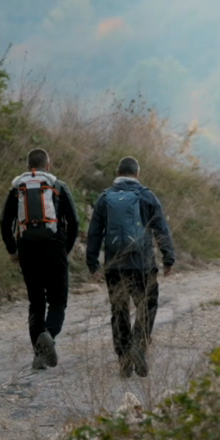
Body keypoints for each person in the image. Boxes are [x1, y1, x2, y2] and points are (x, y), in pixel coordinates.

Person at [84, 155, 176, 378]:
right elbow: (161, 229)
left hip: (115, 266)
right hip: (142, 264)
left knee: (119, 310)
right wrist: (168, 258)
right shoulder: (147, 196)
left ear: (118, 172)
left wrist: (93, 263)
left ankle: (124, 358)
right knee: (147, 306)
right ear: (137, 173)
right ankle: (138, 345)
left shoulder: (104, 198)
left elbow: (94, 233)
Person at [0, 147, 79, 371]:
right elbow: (74, 222)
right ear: (48, 165)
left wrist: (13, 250)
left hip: (27, 249)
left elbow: (5, 222)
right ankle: (49, 334)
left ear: (28, 166)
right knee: (58, 300)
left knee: (36, 302)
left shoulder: (17, 188)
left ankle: (38, 355)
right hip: (55, 247)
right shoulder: (58, 186)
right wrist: (66, 249)